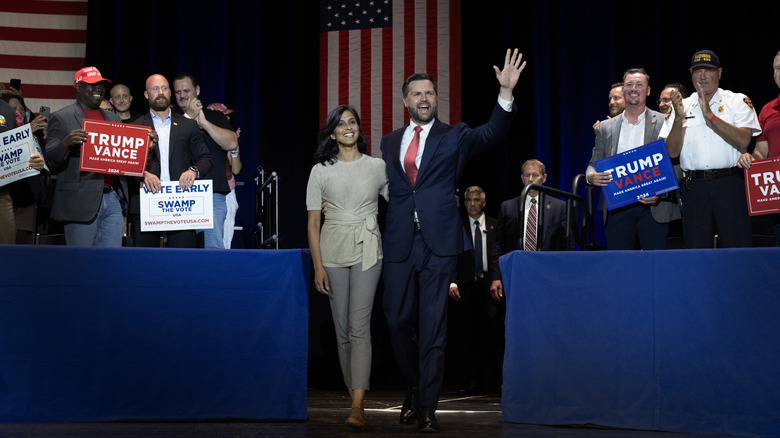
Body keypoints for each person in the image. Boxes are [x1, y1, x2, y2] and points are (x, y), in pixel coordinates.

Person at [380, 48, 525, 433]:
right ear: (405, 100)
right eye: (417, 94)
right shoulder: (388, 141)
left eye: (430, 93)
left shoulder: (455, 135)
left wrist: (505, 94)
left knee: (434, 326)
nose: (424, 99)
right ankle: (413, 384)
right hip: (398, 240)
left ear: (436, 99)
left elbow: (493, 132)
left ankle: (427, 405)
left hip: (440, 242)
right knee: (395, 320)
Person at [306, 105, 388, 430]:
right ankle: (352, 391)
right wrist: (317, 267)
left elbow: (405, 201)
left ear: (359, 129)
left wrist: (436, 200)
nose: (348, 127)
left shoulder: (378, 166)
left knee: (359, 325)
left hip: (369, 249)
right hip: (332, 250)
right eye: (341, 124)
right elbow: (313, 223)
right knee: (342, 331)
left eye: (352, 121)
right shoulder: (320, 171)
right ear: (332, 133)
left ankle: (358, 405)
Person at [662, 50, 761, 248]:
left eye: (709, 70)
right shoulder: (681, 106)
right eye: (697, 71)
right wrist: (679, 119)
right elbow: (671, 152)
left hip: (730, 183)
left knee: (737, 247)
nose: (703, 76)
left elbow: (743, 141)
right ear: (691, 74)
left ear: (720, 73)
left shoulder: (737, 101)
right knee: (696, 250)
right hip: (694, 187)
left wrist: (710, 116)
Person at [586, 68, 680, 250]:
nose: (634, 88)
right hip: (617, 207)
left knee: (655, 266)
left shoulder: (664, 121)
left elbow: (675, 163)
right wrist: (591, 177)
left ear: (649, 90)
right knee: (619, 266)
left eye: (639, 84)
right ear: (623, 90)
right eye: (629, 84)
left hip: (654, 207)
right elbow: (592, 164)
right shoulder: (606, 127)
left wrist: (662, 193)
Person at [43, 67, 128, 247]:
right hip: (79, 202)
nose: (99, 89)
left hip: (112, 199)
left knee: (110, 263)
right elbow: (50, 159)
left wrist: (147, 148)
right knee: (81, 265)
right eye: (92, 85)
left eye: (101, 85)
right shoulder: (61, 117)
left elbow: (126, 158)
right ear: (78, 87)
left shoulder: (113, 119)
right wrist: (65, 143)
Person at [131, 74, 211, 248]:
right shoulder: (135, 127)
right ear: (146, 94)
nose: (160, 93)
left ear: (169, 93)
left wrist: (193, 171)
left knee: (183, 263)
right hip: (148, 204)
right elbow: (125, 166)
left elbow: (205, 158)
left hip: (181, 205)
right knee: (145, 263)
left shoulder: (187, 125)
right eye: (155, 89)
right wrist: (143, 174)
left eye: (164, 88)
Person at [172, 72, 238, 249]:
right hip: (179, 194)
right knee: (181, 253)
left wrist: (204, 124)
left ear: (197, 90)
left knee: (212, 251)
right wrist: (188, 120)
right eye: (178, 92)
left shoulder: (215, 117)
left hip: (212, 194)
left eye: (186, 90)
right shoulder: (170, 118)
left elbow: (232, 142)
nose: (182, 95)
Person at [446, 186, 501, 395]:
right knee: (467, 334)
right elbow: (450, 255)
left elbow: (498, 254)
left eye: (476, 200)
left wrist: (498, 279)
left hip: (490, 284)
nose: (472, 204)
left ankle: (494, 381)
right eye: (468, 200)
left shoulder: (495, 224)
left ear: (484, 202)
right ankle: (472, 380)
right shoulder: (457, 226)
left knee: (493, 332)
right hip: (466, 285)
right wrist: (452, 282)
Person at [490, 159, 569, 301]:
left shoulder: (559, 207)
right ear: (522, 178)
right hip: (515, 274)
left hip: (549, 275)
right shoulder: (508, 207)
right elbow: (498, 245)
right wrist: (496, 277)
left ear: (544, 178)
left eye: (535, 175)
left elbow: (566, 245)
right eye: (527, 175)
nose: (531, 179)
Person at [738, 50, 780, 245]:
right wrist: (751, 159)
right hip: (776, 194)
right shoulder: (767, 110)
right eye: (778, 68)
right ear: (773, 74)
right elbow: (761, 150)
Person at [1, 89, 49, 241]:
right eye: (15, 108)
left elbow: (13, 147)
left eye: (21, 109)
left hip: (5, 195)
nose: (17, 111)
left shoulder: (7, 113)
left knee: (9, 250)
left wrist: (40, 164)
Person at [206, 102, 242, 249]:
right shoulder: (198, 136)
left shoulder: (229, 139)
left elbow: (237, 170)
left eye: (227, 116)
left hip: (226, 191)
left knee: (225, 237)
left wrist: (233, 147)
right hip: (202, 190)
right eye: (222, 116)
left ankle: (221, 266)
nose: (226, 119)